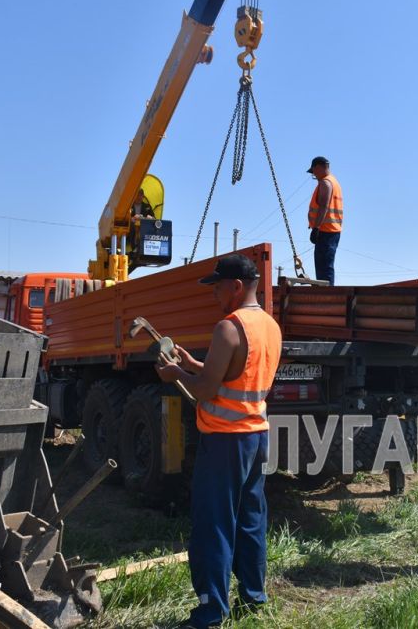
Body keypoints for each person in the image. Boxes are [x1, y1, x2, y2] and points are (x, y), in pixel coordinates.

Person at [155, 253, 281, 628]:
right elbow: (234, 376)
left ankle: (211, 612)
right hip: (256, 437)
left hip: (224, 442)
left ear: (236, 286)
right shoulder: (269, 325)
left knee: (214, 523)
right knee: (251, 519)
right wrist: (192, 364)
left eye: (217, 287)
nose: (214, 295)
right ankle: (254, 597)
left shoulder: (228, 327)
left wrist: (176, 374)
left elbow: (207, 391)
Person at [305, 156, 343, 285]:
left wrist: (316, 228)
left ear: (318, 167)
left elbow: (323, 206)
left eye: (313, 171)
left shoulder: (325, 183)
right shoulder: (334, 182)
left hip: (325, 231)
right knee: (326, 266)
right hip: (332, 231)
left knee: (324, 269)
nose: (314, 175)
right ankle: (327, 291)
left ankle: (327, 293)